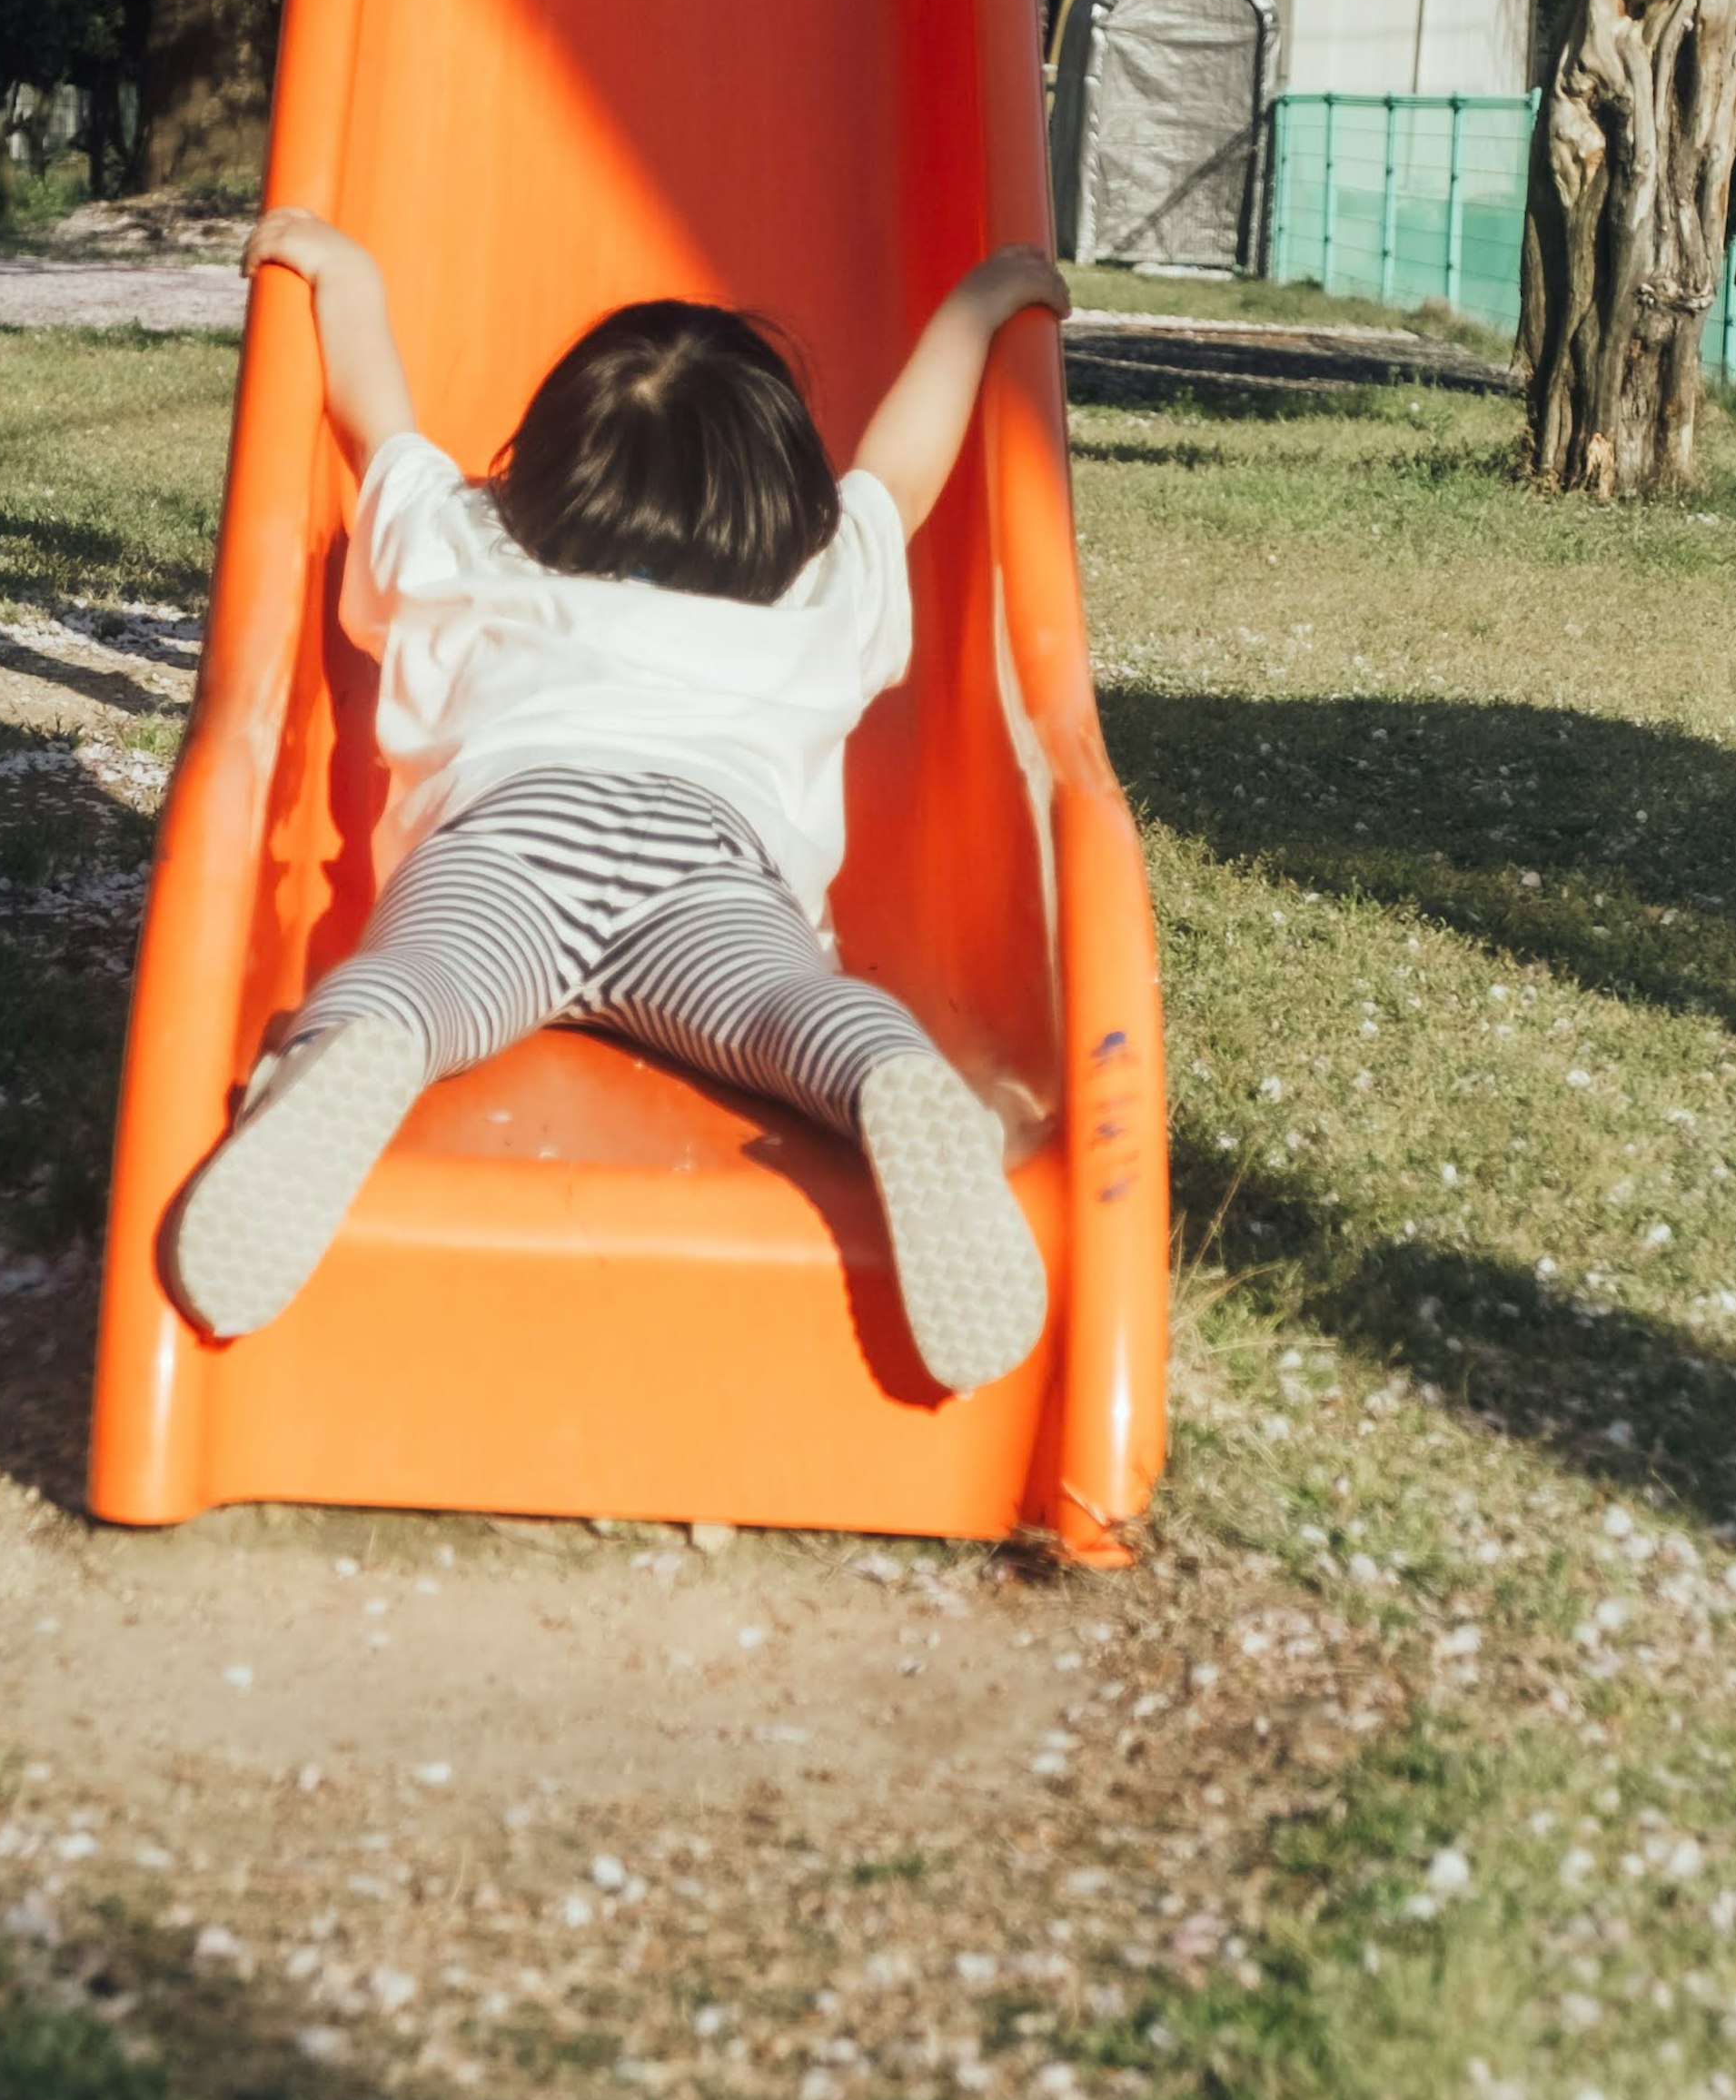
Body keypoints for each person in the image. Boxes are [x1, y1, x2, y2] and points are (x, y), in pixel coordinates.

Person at [167, 221, 1070, 1392]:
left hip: (510, 836)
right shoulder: (818, 582)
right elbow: (900, 475)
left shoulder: (469, 541)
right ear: (785, 498)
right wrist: (979, 304)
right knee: (785, 1012)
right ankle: (892, 1081)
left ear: (538, 462)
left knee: (422, 986)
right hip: (710, 864)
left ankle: (358, 1052)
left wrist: (349, 277)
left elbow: (371, 421)